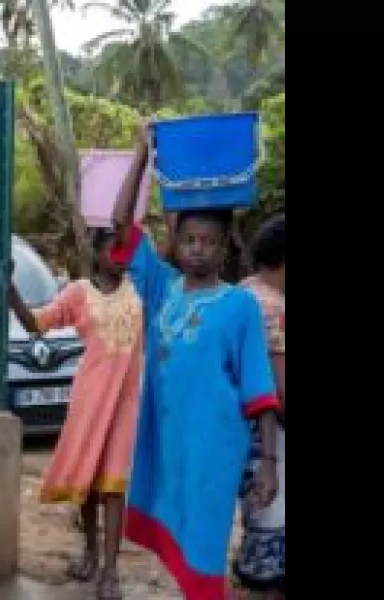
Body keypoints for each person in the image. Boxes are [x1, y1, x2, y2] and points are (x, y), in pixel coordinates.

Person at [109, 123, 281, 600]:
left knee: (204, 552)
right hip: (167, 443)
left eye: (209, 241)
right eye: (190, 240)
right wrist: (142, 152)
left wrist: (268, 463)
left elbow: (259, 390)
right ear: (177, 244)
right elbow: (121, 224)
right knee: (177, 547)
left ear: (224, 247)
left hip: (213, 447)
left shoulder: (239, 305)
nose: (198, 249)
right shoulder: (160, 287)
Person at [8, 227, 143, 600]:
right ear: (96, 253)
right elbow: (36, 324)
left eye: (125, 251)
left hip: (126, 402)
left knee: (114, 485)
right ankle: (91, 553)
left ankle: (111, 571)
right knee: (87, 479)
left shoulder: (141, 291)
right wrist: (10, 291)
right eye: (112, 250)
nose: (120, 258)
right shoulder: (78, 293)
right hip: (89, 399)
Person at [234, 214, 285, 599]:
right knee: (273, 513)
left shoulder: (242, 293)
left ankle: (254, 573)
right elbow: (280, 384)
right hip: (271, 431)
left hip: (238, 430)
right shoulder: (275, 308)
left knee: (256, 512)